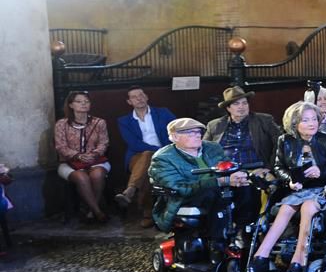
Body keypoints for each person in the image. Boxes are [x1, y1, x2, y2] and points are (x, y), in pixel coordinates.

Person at [246, 101, 326, 272]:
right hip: (298, 190)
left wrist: (322, 171)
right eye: (305, 120)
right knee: (285, 209)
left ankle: (298, 259)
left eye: (314, 119)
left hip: (324, 188)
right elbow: (278, 167)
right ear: (295, 124)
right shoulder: (285, 141)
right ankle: (260, 257)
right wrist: (290, 181)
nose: (312, 123)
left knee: (308, 208)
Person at [148, 117, 249, 237]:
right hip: (184, 198)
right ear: (175, 137)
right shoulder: (163, 158)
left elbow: (228, 165)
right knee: (212, 194)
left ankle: (243, 231)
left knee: (248, 187)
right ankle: (217, 240)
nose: (197, 136)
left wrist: (239, 175)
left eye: (198, 132)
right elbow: (180, 188)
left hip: (220, 188)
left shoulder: (212, 147)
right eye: (191, 133)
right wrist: (220, 182)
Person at [205, 85, 281, 225]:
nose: (242, 107)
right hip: (224, 172)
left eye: (244, 103)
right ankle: (219, 230)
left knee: (248, 188)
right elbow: (203, 150)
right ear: (228, 108)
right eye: (236, 104)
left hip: (255, 169)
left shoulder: (264, 120)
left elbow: (281, 144)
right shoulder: (214, 125)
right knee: (207, 189)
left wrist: (269, 168)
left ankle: (245, 228)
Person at [114, 86, 174, 227]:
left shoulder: (163, 113)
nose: (139, 98)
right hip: (137, 156)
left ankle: (133, 194)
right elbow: (134, 144)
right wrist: (156, 151)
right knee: (147, 157)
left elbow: (176, 131)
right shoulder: (124, 121)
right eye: (134, 97)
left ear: (146, 97)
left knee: (148, 169)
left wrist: (161, 151)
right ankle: (148, 211)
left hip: (166, 153)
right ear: (129, 102)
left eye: (141, 95)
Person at [53, 90, 111, 223]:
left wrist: (94, 154)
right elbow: (60, 146)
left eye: (86, 101)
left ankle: (90, 211)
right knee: (82, 177)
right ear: (71, 105)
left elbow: (104, 142)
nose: (83, 104)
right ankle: (97, 212)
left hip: (96, 160)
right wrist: (78, 156)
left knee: (97, 175)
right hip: (69, 163)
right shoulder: (62, 124)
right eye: (79, 102)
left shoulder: (99, 122)